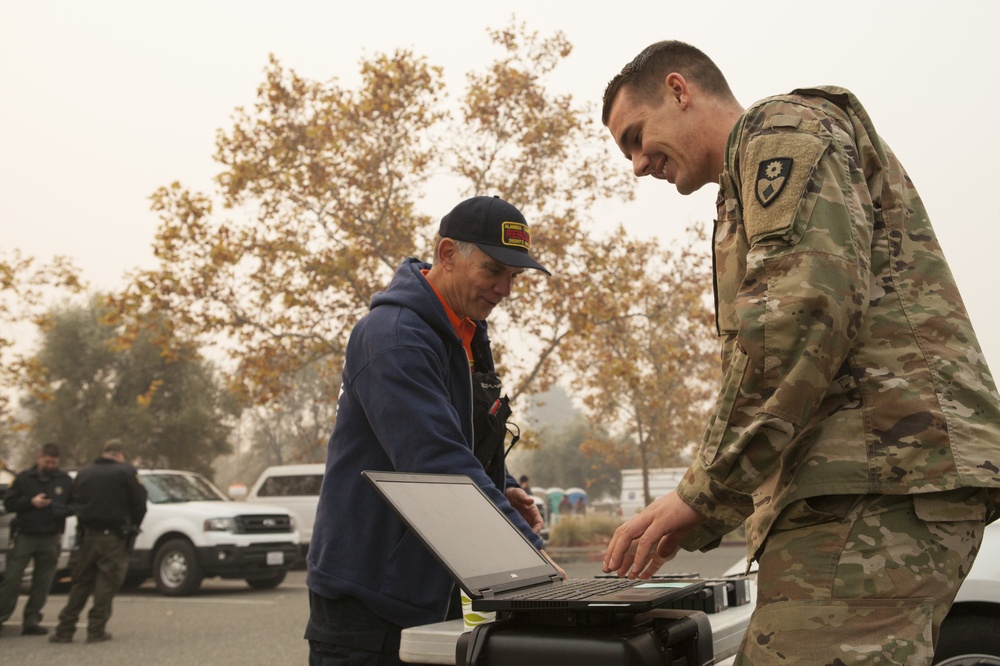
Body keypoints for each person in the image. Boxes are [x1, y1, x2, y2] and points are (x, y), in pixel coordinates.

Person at [600, 40, 1000, 663]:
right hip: (867, 489)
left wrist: (701, 494)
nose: (635, 164)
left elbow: (797, 320)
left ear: (679, 90)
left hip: (871, 490)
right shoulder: (743, 185)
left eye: (634, 135)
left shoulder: (778, 133)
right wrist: (701, 511)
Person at [305, 195, 558, 665]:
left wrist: (503, 487)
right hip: (367, 602)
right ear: (447, 255)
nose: (505, 288)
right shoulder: (394, 337)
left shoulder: (465, 331)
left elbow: (457, 435)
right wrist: (532, 560)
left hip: (426, 590)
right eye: (493, 270)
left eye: (513, 277)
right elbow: (437, 463)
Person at [50, 439, 146, 644]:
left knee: (81, 582)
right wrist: (134, 526)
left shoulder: (84, 473)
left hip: (87, 536)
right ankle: (96, 629)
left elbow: (76, 502)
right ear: (119, 455)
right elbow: (139, 504)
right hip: (113, 537)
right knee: (106, 583)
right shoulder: (126, 472)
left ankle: (65, 628)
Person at [0, 443, 73, 637]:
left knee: (43, 581)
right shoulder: (24, 479)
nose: (50, 465)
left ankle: (32, 620)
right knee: (12, 579)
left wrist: (56, 509)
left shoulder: (64, 480)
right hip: (26, 535)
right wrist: (30, 502)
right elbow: (9, 503)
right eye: (47, 461)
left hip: (50, 535)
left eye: (54, 462)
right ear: (38, 457)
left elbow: (74, 506)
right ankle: (1, 616)